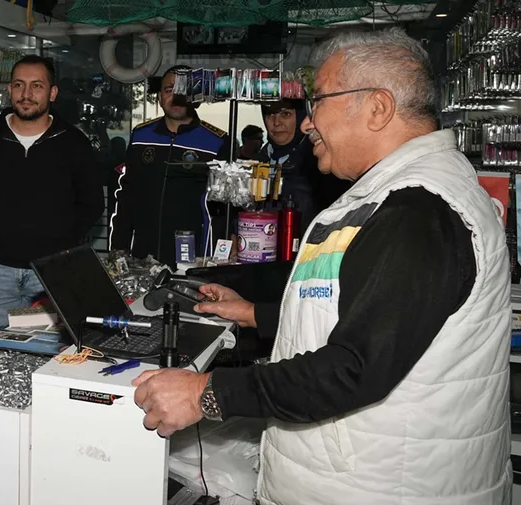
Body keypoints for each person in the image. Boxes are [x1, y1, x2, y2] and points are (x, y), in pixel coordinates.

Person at [131, 28, 510, 505]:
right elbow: (363, 310)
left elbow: (354, 367)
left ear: (377, 108)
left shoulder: (418, 210)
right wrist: (254, 314)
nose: (308, 122)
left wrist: (206, 393)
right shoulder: (392, 196)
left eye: (321, 101)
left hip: (385, 489)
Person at [0, 55, 103, 331]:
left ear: (52, 93)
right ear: (9, 89)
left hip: (52, 271)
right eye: (19, 85)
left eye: (36, 86)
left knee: (51, 346)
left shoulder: (74, 143)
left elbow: (92, 203)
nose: (26, 94)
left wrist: (61, 242)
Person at [109, 65, 231, 266]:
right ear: (159, 96)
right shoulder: (141, 135)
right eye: (169, 89)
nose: (176, 96)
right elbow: (127, 196)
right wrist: (118, 247)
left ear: (196, 97)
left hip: (194, 256)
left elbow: (224, 211)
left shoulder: (217, 142)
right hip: (142, 254)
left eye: (184, 89)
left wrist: (217, 258)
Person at [258, 99, 350, 229]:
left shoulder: (320, 162)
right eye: (270, 114)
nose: (276, 123)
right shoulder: (259, 159)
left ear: (301, 117)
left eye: (285, 114)